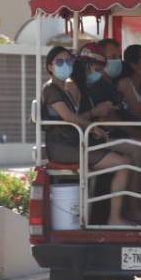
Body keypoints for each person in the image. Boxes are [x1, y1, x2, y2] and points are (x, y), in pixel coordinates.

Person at [40, 46, 134, 226]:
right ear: (50, 67)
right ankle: (114, 218)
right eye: (60, 62)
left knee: (124, 156)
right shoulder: (51, 89)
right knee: (123, 163)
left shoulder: (65, 89)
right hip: (64, 147)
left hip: (74, 142)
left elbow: (75, 117)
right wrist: (93, 127)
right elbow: (68, 117)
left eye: (69, 61)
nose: (65, 65)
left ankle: (109, 211)